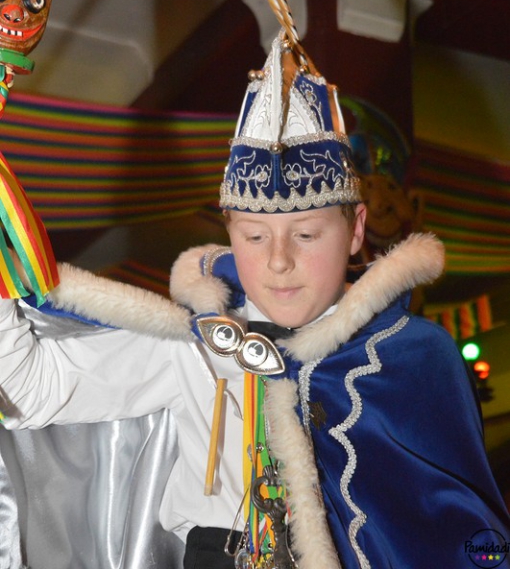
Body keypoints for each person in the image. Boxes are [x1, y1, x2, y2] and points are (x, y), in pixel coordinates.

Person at [0, 33, 508, 569]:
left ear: (356, 229)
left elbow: (466, 535)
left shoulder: (414, 356)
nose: (278, 260)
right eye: (254, 235)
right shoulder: (196, 344)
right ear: (228, 231)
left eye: (306, 235)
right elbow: (33, 388)